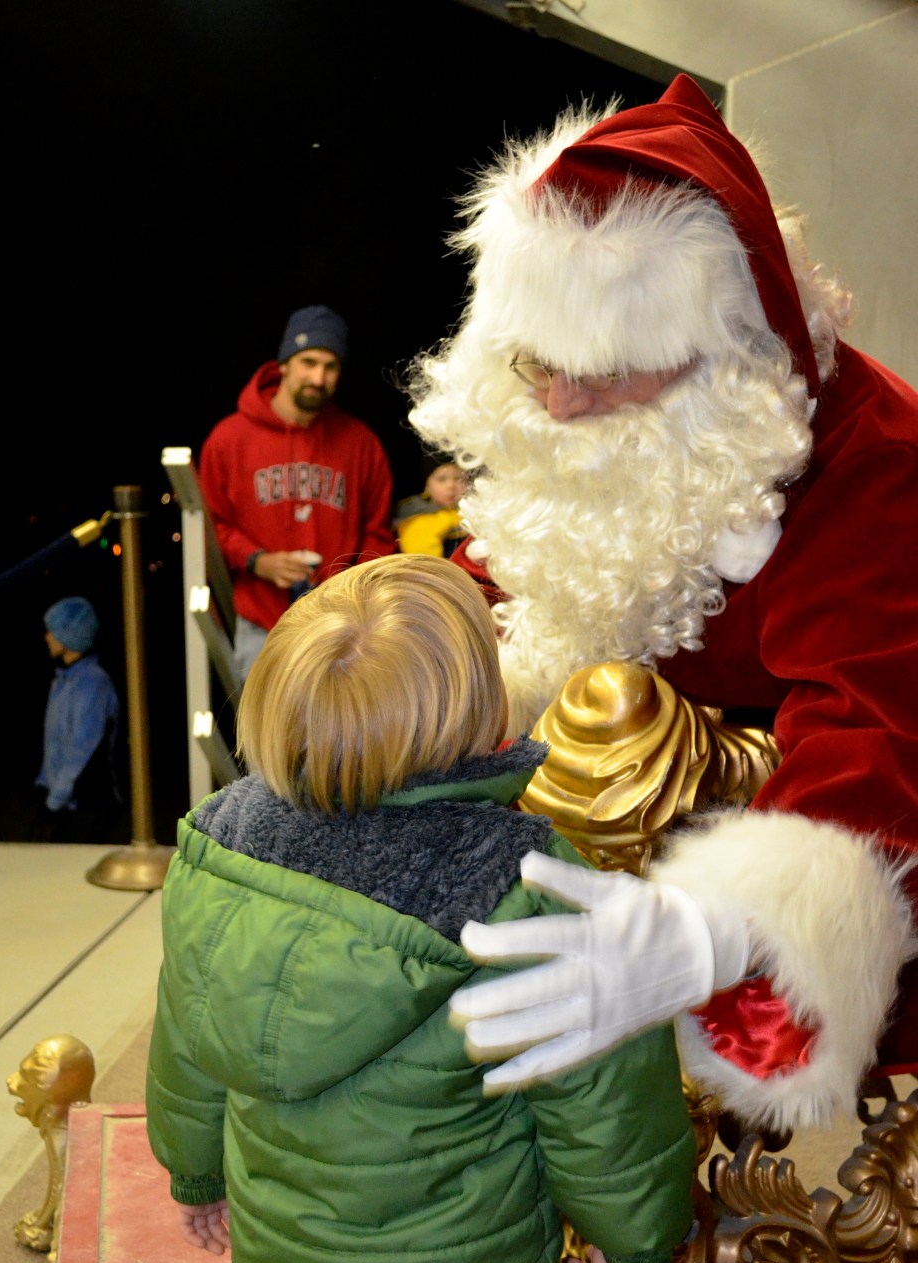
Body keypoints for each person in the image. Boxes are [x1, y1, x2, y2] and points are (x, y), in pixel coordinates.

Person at [408, 74, 918, 1131]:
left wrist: (718, 932)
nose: (556, 405)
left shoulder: (879, 468)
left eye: (601, 372)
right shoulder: (581, 428)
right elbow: (536, 590)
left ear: (722, 352)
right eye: (537, 362)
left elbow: (882, 740)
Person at [145, 554, 695, 1263]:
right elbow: (602, 1094)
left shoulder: (220, 843)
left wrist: (194, 1169)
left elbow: (186, 1037)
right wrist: (632, 1242)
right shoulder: (530, 886)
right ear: (486, 720)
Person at [199, 303, 396, 678]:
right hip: (261, 622)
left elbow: (379, 535)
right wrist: (258, 560)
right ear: (284, 363)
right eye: (308, 362)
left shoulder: (361, 444)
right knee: (263, 737)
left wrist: (354, 589)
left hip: (339, 629)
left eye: (330, 366)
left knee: (340, 737)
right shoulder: (230, 439)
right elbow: (213, 526)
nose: (318, 377)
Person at [35, 596, 121, 841]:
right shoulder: (62, 681)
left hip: (87, 803)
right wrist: (44, 784)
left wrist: (55, 799)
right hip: (64, 801)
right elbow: (55, 743)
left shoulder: (92, 683)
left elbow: (81, 748)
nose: (47, 636)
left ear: (70, 635)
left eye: (53, 630)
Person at [393, 453, 467, 556]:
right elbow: (425, 562)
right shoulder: (419, 520)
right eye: (442, 479)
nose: (451, 486)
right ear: (427, 486)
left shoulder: (470, 513)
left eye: (458, 479)